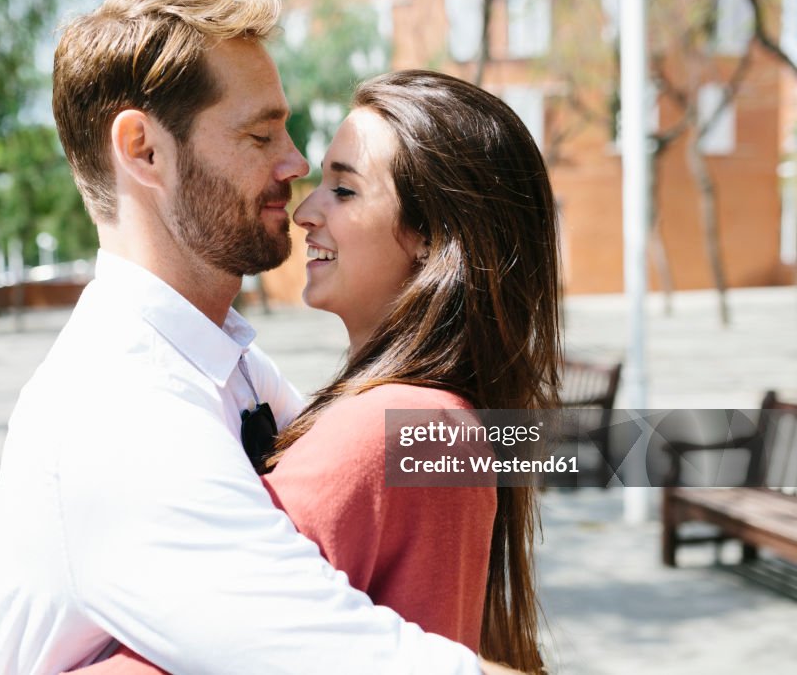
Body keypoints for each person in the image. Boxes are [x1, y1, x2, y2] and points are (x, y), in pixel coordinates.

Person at [0, 0, 496, 673]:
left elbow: (406, 455)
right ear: (145, 151)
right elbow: (350, 658)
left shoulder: (226, 365)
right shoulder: (116, 408)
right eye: (261, 135)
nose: (295, 163)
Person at [74, 71, 560, 675]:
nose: (305, 211)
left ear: (432, 239)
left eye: (345, 190)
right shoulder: (440, 421)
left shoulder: (389, 428)